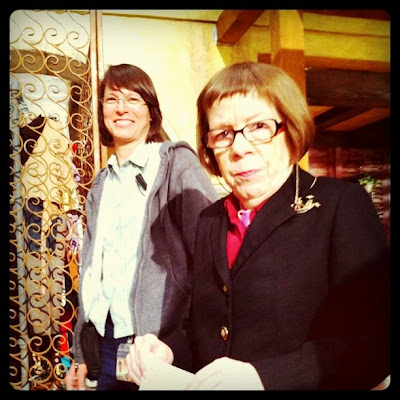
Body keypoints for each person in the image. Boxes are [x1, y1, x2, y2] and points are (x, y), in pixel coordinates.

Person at [125, 62, 390, 390]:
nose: (239, 148)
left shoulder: (340, 205)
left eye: (260, 126)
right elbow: (202, 325)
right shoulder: (210, 220)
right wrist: (168, 350)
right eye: (223, 134)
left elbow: (373, 345)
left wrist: (263, 377)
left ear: (290, 130)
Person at [64, 63, 219, 390]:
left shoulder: (175, 163)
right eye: (112, 99)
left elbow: (210, 251)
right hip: (104, 342)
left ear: (151, 112)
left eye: (133, 99)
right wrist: (80, 353)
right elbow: (92, 273)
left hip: (156, 343)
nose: (121, 108)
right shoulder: (101, 184)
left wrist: (183, 336)